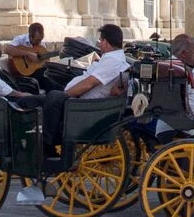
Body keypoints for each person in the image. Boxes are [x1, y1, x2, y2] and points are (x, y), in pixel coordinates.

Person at [43, 24, 131, 154]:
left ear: (105, 42)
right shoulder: (112, 59)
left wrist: (65, 95)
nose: (100, 44)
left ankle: (46, 146)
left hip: (83, 104)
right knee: (33, 101)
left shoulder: (112, 61)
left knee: (54, 96)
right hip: (82, 101)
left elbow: (88, 84)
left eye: (100, 41)